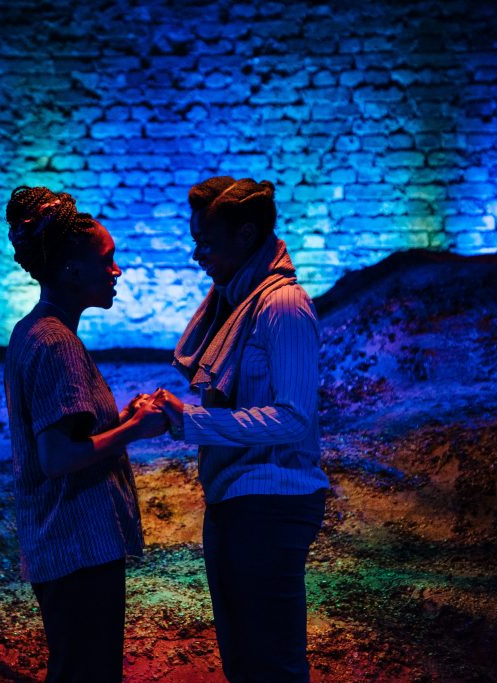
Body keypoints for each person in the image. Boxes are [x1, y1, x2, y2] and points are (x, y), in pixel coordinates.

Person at [154, 176, 329, 682]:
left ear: (246, 234)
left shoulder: (282, 307)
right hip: (235, 499)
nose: (196, 256)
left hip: (274, 503)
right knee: (243, 661)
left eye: (206, 242)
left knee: (272, 665)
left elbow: (294, 418)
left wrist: (192, 422)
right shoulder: (235, 302)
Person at [2, 186, 168, 683]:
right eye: (107, 260)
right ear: (72, 271)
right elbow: (56, 456)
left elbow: (64, 432)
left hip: (62, 544)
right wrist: (135, 429)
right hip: (76, 546)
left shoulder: (34, 331)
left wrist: (118, 420)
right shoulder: (57, 344)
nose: (116, 271)